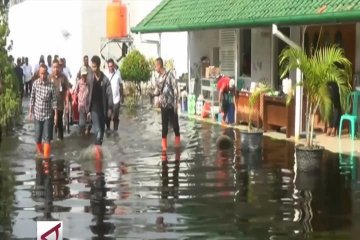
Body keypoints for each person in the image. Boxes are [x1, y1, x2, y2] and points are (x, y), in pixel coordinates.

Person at [29, 64, 57, 158]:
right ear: (39, 73)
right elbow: (32, 98)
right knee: (37, 138)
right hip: (37, 115)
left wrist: (56, 115)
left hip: (48, 116)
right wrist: (30, 111)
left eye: (44, 74)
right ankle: (40, 154)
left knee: (47, 138)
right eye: (41, 74)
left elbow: (54, 101)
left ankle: (46, 159)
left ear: (47, 73)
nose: (43, 76)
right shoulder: (35, 84)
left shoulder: (51, 85)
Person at [153, 57, 180, 152]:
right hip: (163, 105)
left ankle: (177, 145)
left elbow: (175, 89)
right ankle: (164, 149)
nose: (154, 68)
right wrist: (155, 99)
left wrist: (176, 103)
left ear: (159, 65)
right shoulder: (158, 78)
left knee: (175, 126)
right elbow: (156, 91)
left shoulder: (170, 74)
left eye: (155, 66)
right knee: (164, 128)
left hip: (172, 105)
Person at [86, 55, 113, 148]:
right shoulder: (90, 78)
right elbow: (88, 94)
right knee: (98, 131)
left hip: (103, 109)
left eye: (94, 67)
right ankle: (97, 158)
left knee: (101, 133)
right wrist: (88, 110)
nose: (93, 69)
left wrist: (110, 108)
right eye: (92, 66)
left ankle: (97, 151)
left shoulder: (105, 80)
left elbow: (110, 94)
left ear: (98, 66)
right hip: (93, 109)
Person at [49, 59, 71, 140]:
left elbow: (67, 90)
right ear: (52, 68)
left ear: (59, 67)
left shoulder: (63, 77)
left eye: (57, 67)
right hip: (50, 106)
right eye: (54, 67)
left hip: (60, 105)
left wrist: (67, 103)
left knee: (59, 123)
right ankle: (50, 140)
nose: (55, 69)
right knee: (50, 124)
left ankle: (60, 140)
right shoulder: (49, 77)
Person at [105, 58, 123, 131]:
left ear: (114, 66)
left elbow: (121, 85)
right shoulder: (105, 74)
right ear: (108, 66)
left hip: (116, 99)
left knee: (115, 116)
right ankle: (108, 129)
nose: (110, 68)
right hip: (108, 99)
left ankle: (115, 131)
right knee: (108, 116)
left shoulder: (118, 74)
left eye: (112, 66)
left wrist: (122, 97)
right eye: (109, 66)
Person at [74, 66, 90, 134]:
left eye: (85, 75)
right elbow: (75, 91)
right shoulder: (79, 82)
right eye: (83, 75)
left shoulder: (89, 82)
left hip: (88, 104)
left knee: (89, 122)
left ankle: (87, 131)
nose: (84, 76)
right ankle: (82, 133)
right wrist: (74, 99)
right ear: (81, 75)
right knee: (82, 123)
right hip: (81, 104)